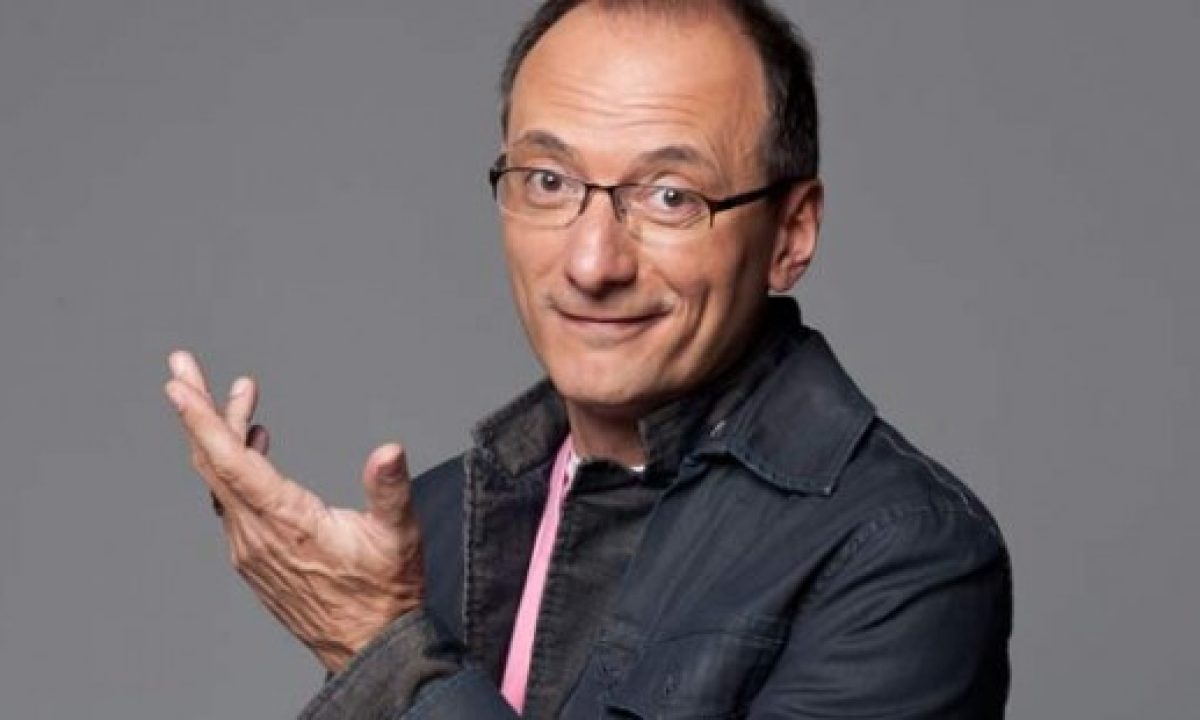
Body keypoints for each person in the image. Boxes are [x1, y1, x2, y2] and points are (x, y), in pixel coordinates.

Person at [163, 1, 1012, 717]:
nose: (592, 262)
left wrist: (384, 655)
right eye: (548, 182)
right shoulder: (435, 523)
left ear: (791, 234)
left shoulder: (903, 555)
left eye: (670, 196)